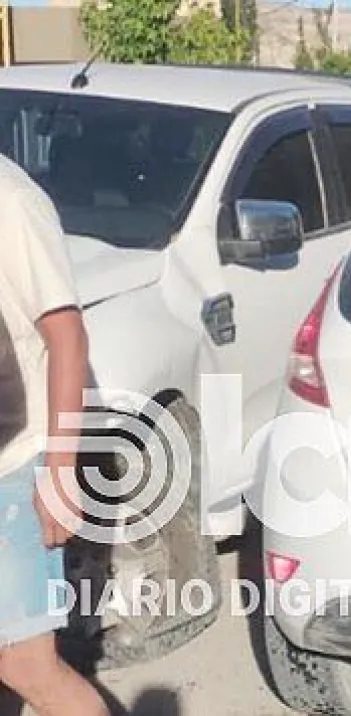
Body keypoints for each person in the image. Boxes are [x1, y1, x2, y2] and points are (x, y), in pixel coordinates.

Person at [0, 155, 108, 716]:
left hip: (12, 463)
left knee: (25, 664)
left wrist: (60, 472)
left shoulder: (10, 200)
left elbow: (67, 335)